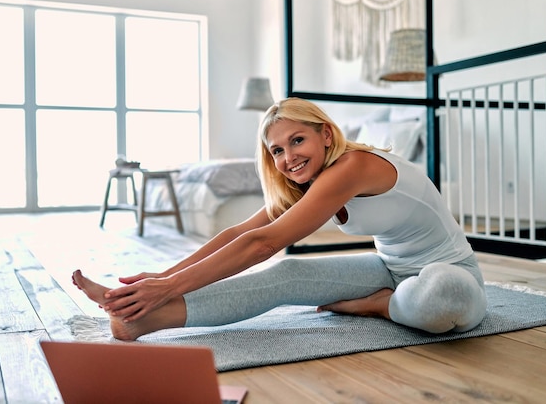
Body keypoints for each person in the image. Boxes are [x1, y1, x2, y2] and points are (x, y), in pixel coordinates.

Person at [73, 97, 487, 341]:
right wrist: (158, 281)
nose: (288, 157)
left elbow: (263, 244)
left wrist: (167, 286)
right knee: (287, 273)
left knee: (443, 298)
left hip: (449, 273)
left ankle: (378, 308)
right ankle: (141, 321)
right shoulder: (307, 181)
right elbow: (242, 233)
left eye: (297, 140)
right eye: (276, 150)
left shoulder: (354, 166)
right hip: (391, 269)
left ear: (326, 134)